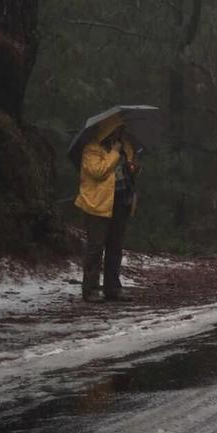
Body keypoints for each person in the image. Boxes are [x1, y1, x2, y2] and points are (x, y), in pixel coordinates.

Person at [76, 123, 139, 301]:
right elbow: (99, 171)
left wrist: (134, 168)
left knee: (115, 247)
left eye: (120, 129)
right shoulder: (91, 149)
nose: (119, 132)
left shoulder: (125, 145)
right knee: (95, 248)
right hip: (98, 204)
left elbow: (128, 171)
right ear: (106, 130)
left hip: (121, 202)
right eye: (115, 129)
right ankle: (91, 289)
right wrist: (114, 152)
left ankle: (113, 288)